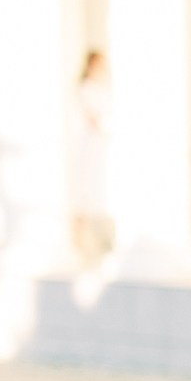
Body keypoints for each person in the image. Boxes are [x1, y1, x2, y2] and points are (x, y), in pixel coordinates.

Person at [69, 50, 113, 266]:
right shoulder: (86, 89)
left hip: (101, 146)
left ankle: (97, 246)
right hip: (91, 146)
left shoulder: (103, 88)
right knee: (84, 196)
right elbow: (92, 118)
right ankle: (80, 247)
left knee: (98, 197)